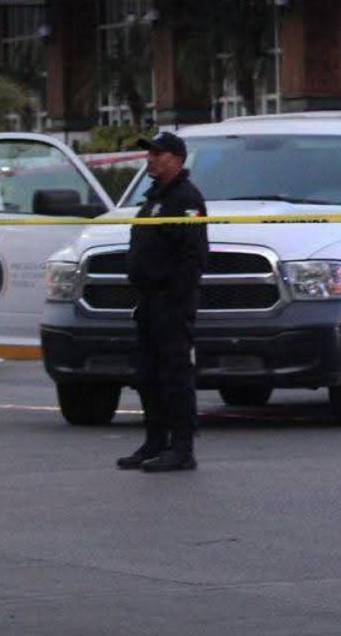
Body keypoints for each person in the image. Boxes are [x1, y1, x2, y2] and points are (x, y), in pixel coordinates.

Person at [119, 132, 209, 473]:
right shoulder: (155, 198)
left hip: (172, 303)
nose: (150, 159)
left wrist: (174, 297)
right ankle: (155, 441)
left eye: (158, 153)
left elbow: (193, 255)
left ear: (177, 159)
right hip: (148, 302)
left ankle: (182, 448)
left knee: (175, 374)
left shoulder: (187, 199)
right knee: (147, 374)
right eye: (149, 153)